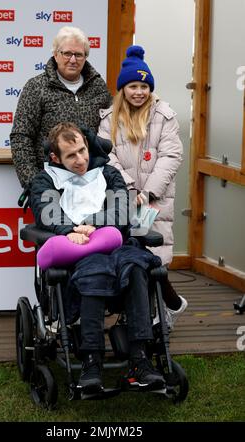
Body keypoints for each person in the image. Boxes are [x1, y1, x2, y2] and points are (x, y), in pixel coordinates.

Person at [30, 122, 166, 393]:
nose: (80, 160)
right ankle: (92, 360)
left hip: (115, 242)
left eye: (83, 151)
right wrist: (70, 230)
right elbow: (46, 212)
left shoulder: (109, 173)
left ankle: (140, 360)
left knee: (137, 267)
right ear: (56, 157)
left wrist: (92, 224)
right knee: (95, 271)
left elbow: (121, 210)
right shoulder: (45, 179)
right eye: (71, 156)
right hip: (80, 250)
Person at [97, 45, 188, 330]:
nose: (139, 91)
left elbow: (171, 155)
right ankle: (146, 313)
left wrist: (147, 192)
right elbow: (105, 156)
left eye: (144, 86)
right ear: (123, 89)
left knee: (154, 257)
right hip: (124, 199)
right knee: (129, 256)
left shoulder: (164, 115)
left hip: (155, 201)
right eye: (133, 86)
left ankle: (162, 312)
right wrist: (129, 190)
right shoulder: (109, 119)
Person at [10, 26, 112, 190]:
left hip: (92, 184)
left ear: (85, 57)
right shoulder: (36, 87)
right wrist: (34, 184)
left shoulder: (98, 87)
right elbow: (21, 137)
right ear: (56, 54)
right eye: (67, 53)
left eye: (79, 54)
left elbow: (113, 129)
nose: (73, 59)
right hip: (51, 185)